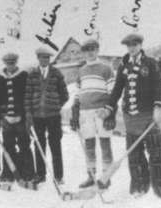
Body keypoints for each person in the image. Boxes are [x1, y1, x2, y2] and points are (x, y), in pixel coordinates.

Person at [102, 34, 161, 198]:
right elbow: (117, 90)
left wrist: (157, 107)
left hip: (148, 115)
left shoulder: (150, 63)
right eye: (129, 45)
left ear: (141, 45)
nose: (132, 48)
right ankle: (139, 186)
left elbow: (158, 87)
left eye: (135, 44)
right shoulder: (123, 66)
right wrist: (108, 109)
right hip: (130, 118)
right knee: (135, 154)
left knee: (156, 151)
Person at [69, 39, 115, 189]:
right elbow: (77, 94)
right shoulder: (81, 71)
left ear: (97, 50)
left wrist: (111, 113)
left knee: (105, 144)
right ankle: (91, 175)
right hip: (85, 112)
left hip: (101, 111)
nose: (90, 52)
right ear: (84, 52)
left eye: (93, 49)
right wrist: (75, 113)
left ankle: (106, 177)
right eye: (87, 50)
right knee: (89, 144)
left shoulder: (106, 68)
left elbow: (113, 93)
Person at [25, 47, 69, 184]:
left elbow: (65, 95)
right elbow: (27, 96)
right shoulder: (32, 74)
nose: (44, 60)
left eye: (47, 58)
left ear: (49, 59)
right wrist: (29, 113)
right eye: (42, 57)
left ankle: (58, 176)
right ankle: (41, 175)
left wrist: (55, 105)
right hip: (37, 117)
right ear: (38, 58)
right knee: (39, 145)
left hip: (53, 116)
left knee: (55, 144)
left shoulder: (56, 73)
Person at [0, 53, 34, 183]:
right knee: (8, 146)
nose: (10, 65)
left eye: (12, 62)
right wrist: (2, 114)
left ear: (16, 62)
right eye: (8, 63)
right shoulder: (0, 78)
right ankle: (8, 173)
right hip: (6, 119)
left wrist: (25, 114)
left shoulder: (23, 76)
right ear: (4, 63)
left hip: (21, 118)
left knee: (24, 145)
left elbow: (27, 95)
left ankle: (27, 173)